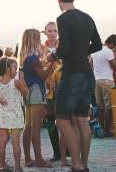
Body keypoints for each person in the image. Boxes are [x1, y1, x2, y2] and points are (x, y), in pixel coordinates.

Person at [48, 0, 102, 171]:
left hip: (72, 73)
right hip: (88, 74)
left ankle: (77, 164)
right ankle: (84, 164)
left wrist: (53, 55)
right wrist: (82, 51)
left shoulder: (62, 19)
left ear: (58, 0)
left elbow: (64, 48)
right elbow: (98, 45)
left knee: (62, 120)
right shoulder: (87, 17)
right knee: (82, 120)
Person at [0, 57, 27, 172]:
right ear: (8, 69)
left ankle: (1, 166)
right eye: (14, 67)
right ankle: (17, 167)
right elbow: (25, 93)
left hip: (3, 115)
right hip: (16, 115)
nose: (16, 69)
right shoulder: (16, 82)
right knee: (15, 142)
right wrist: (22, 79)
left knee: (2, 141)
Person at [20, 29, 54, 168]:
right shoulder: (33, 58)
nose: (40, 41)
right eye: (38, 39)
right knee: (36, 127)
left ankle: (28, 159)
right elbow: (43, 76)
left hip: (28, 92)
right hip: (36, 91)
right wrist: (52, 64)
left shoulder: (25, 57)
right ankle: (39, 159)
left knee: (28, 126)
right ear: (33, 40)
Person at [90, 34, 116, 137]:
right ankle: (107, 130)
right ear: (112, 43)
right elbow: (115, 66)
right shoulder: (108, 51)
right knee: (109, 107)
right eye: (114, 46)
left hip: (97, 80)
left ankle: (101, 129)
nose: (114, 48)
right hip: (107, 80)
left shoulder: (96, 50)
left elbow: (91, 64)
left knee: (100, 107)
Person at [41, 22, 62, 162]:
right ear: (45, 32)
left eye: (55, 30)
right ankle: (56, 152)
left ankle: (66, 150)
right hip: (47, 89)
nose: (53, 33)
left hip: (63, 86)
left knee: (65, 120)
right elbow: (39, 66)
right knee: (50, 120)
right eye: (50, 31)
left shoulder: (63, 45)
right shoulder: (41, 48)